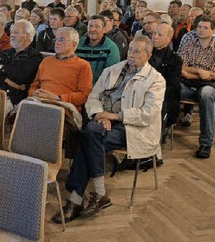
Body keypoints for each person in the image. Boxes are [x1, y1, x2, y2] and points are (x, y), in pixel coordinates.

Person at [52, 36, 165, 224]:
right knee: (91, 134)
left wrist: (115, 116)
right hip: (102, 122)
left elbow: (148, 114)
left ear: (148, 55)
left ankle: (76, 199)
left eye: (137, 51)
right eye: (130, 50)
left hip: (131, 128)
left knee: (87, 136)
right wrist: (99, 114)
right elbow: (93, 98)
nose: (131, 54)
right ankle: (97, 195)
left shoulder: (155, 80)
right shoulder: (112, 70)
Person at [178, 16, 215, 159]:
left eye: (205, 27)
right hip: (188, 84)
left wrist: (190, 74)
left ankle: (206, 143)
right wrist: (199, 71)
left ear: (213, 30)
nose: (201, 30)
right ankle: (163, 130)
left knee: (206, 94)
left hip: (210, 85)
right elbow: (181, 66)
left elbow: (213, 75)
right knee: (169, 89)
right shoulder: (189, 44)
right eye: (199, 27)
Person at [29, 27, 93, 113]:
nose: (57, 43)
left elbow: (84, 95)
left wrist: (58, 98)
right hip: (39, 101)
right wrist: (34, 93)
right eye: (56, 39)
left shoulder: (83, 65)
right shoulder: (46, 61)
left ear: (74, 45)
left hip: (64, 106)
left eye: (62, 39)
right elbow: (34, 86)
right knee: (19, 114)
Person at [0, 19, 43, 112]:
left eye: (16, 32)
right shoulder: (5, 53)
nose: (11, 35)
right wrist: (7, 80)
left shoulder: (34, 57)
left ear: (27, 36)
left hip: (12, 99)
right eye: (11, 32)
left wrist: (0, 73)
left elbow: (19, 77)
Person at [149, 24, 183, 130]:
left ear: (169, 39)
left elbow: (173, 84)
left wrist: (154, 92)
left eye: (160, 35)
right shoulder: (145, 53)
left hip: (163, 94)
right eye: (154, 33)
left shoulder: (175, 59)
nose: (155, 36)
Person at [76, 15, 121, 84]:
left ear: (104, 29)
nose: (93, 29)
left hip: (99, 89)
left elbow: (110, 76)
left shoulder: (111, 48)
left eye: (97, 26)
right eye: (90, 26)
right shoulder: (78, 44)